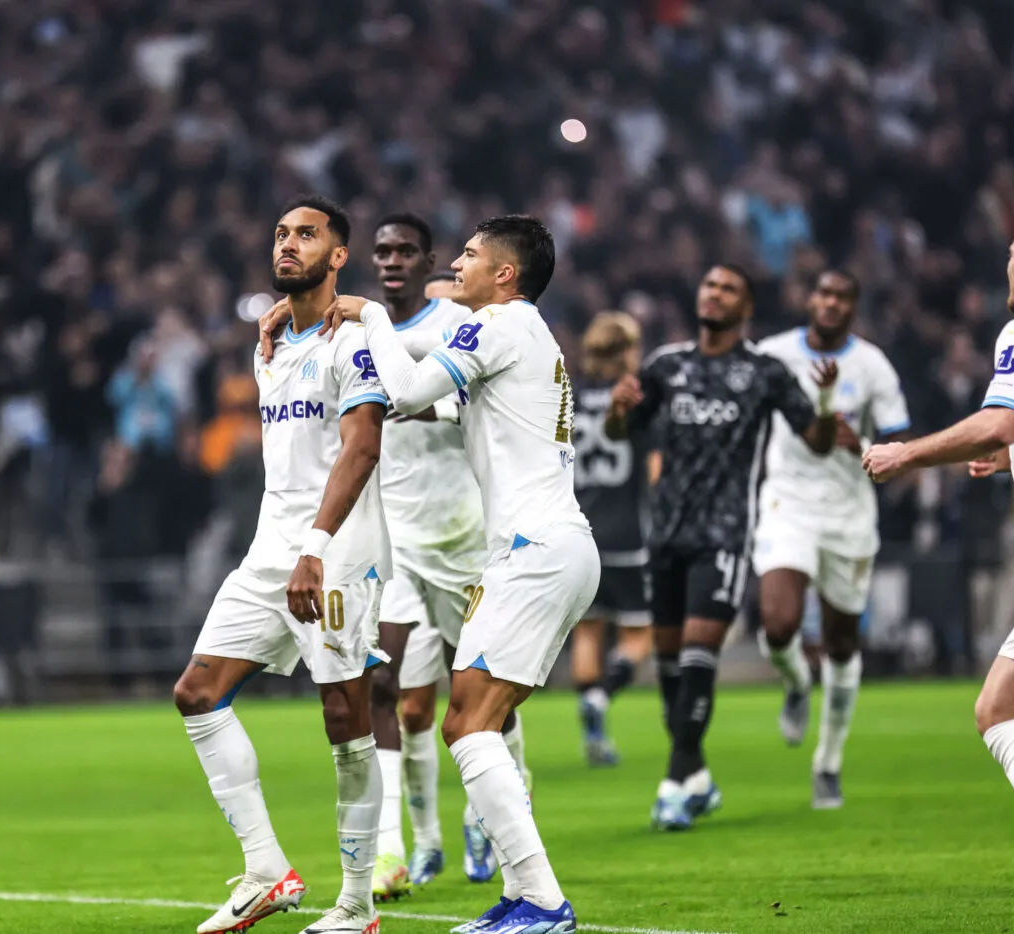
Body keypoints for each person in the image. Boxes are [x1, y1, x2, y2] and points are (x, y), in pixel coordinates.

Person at [298, 215, 599, 933]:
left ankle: (541, 899)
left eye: (469, 255)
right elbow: (438, 405)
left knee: (465, 723)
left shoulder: (494, 325)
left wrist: (366, 313)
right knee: (478, 719)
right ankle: (523, 889)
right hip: (550, 547)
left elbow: (401, 389)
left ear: (504, 274)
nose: (455, 265)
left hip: (533, 550)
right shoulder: (525, 335)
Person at [172, 196, 391, 934]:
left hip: (337, 551)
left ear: (338, 257)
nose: (288, 244)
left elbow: (362, 447)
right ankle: (268, 870)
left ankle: (358, 904)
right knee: (198, 693)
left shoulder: (353, 340)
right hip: (272, 548)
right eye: (281, 234)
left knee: (345, 717)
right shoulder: (268, 345)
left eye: (307, 235)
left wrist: (316, 549)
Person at [863, 208, 1014, 934]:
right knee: (998, 708)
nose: (1007, 270)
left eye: (1012, 257)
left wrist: (907, 452)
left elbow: (1000, 421)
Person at [606, 264, 838, 830]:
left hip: (725, 537)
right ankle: (698, 777)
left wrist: (827, 400)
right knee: (667, 675)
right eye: (709, 285)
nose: (714, 293)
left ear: (746, 308)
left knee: (696, 656)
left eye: (728, 289)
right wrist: (618, 409)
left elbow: (818, 440)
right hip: (664, 537)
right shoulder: (667, 365)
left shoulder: (763, 372)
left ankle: (672, 783)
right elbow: (623, 433)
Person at [355, 213, 495, 898]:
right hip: (397, 541)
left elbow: (486, 410)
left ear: (427, 259)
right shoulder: (361, 335)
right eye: (382, 251)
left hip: (465, 536)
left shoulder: (452, 327)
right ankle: (395, 851)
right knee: (389, 692)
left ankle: (485, 814)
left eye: (405, 250)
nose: (392, 261)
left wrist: (430, 409)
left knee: (479, 693)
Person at [752, 269, 911, 809]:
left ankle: (829, 762)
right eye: (823, 293)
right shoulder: (771, 354)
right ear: (809, 298)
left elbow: (895, 444)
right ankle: (796, 681)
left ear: (853, 308)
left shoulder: (872, 366)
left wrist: (861, 441)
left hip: (848, 515)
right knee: (778, 625)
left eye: (843, 296)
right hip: (787, 503)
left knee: (843, 643)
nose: (831, 303)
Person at [570, 311, 655, 767]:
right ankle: (601, 697)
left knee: (588, 630)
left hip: (580, 529)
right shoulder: (634, 396)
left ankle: (594, 733)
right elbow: (656, 470)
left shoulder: (572, 397)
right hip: (627, 533)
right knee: (640, 633)